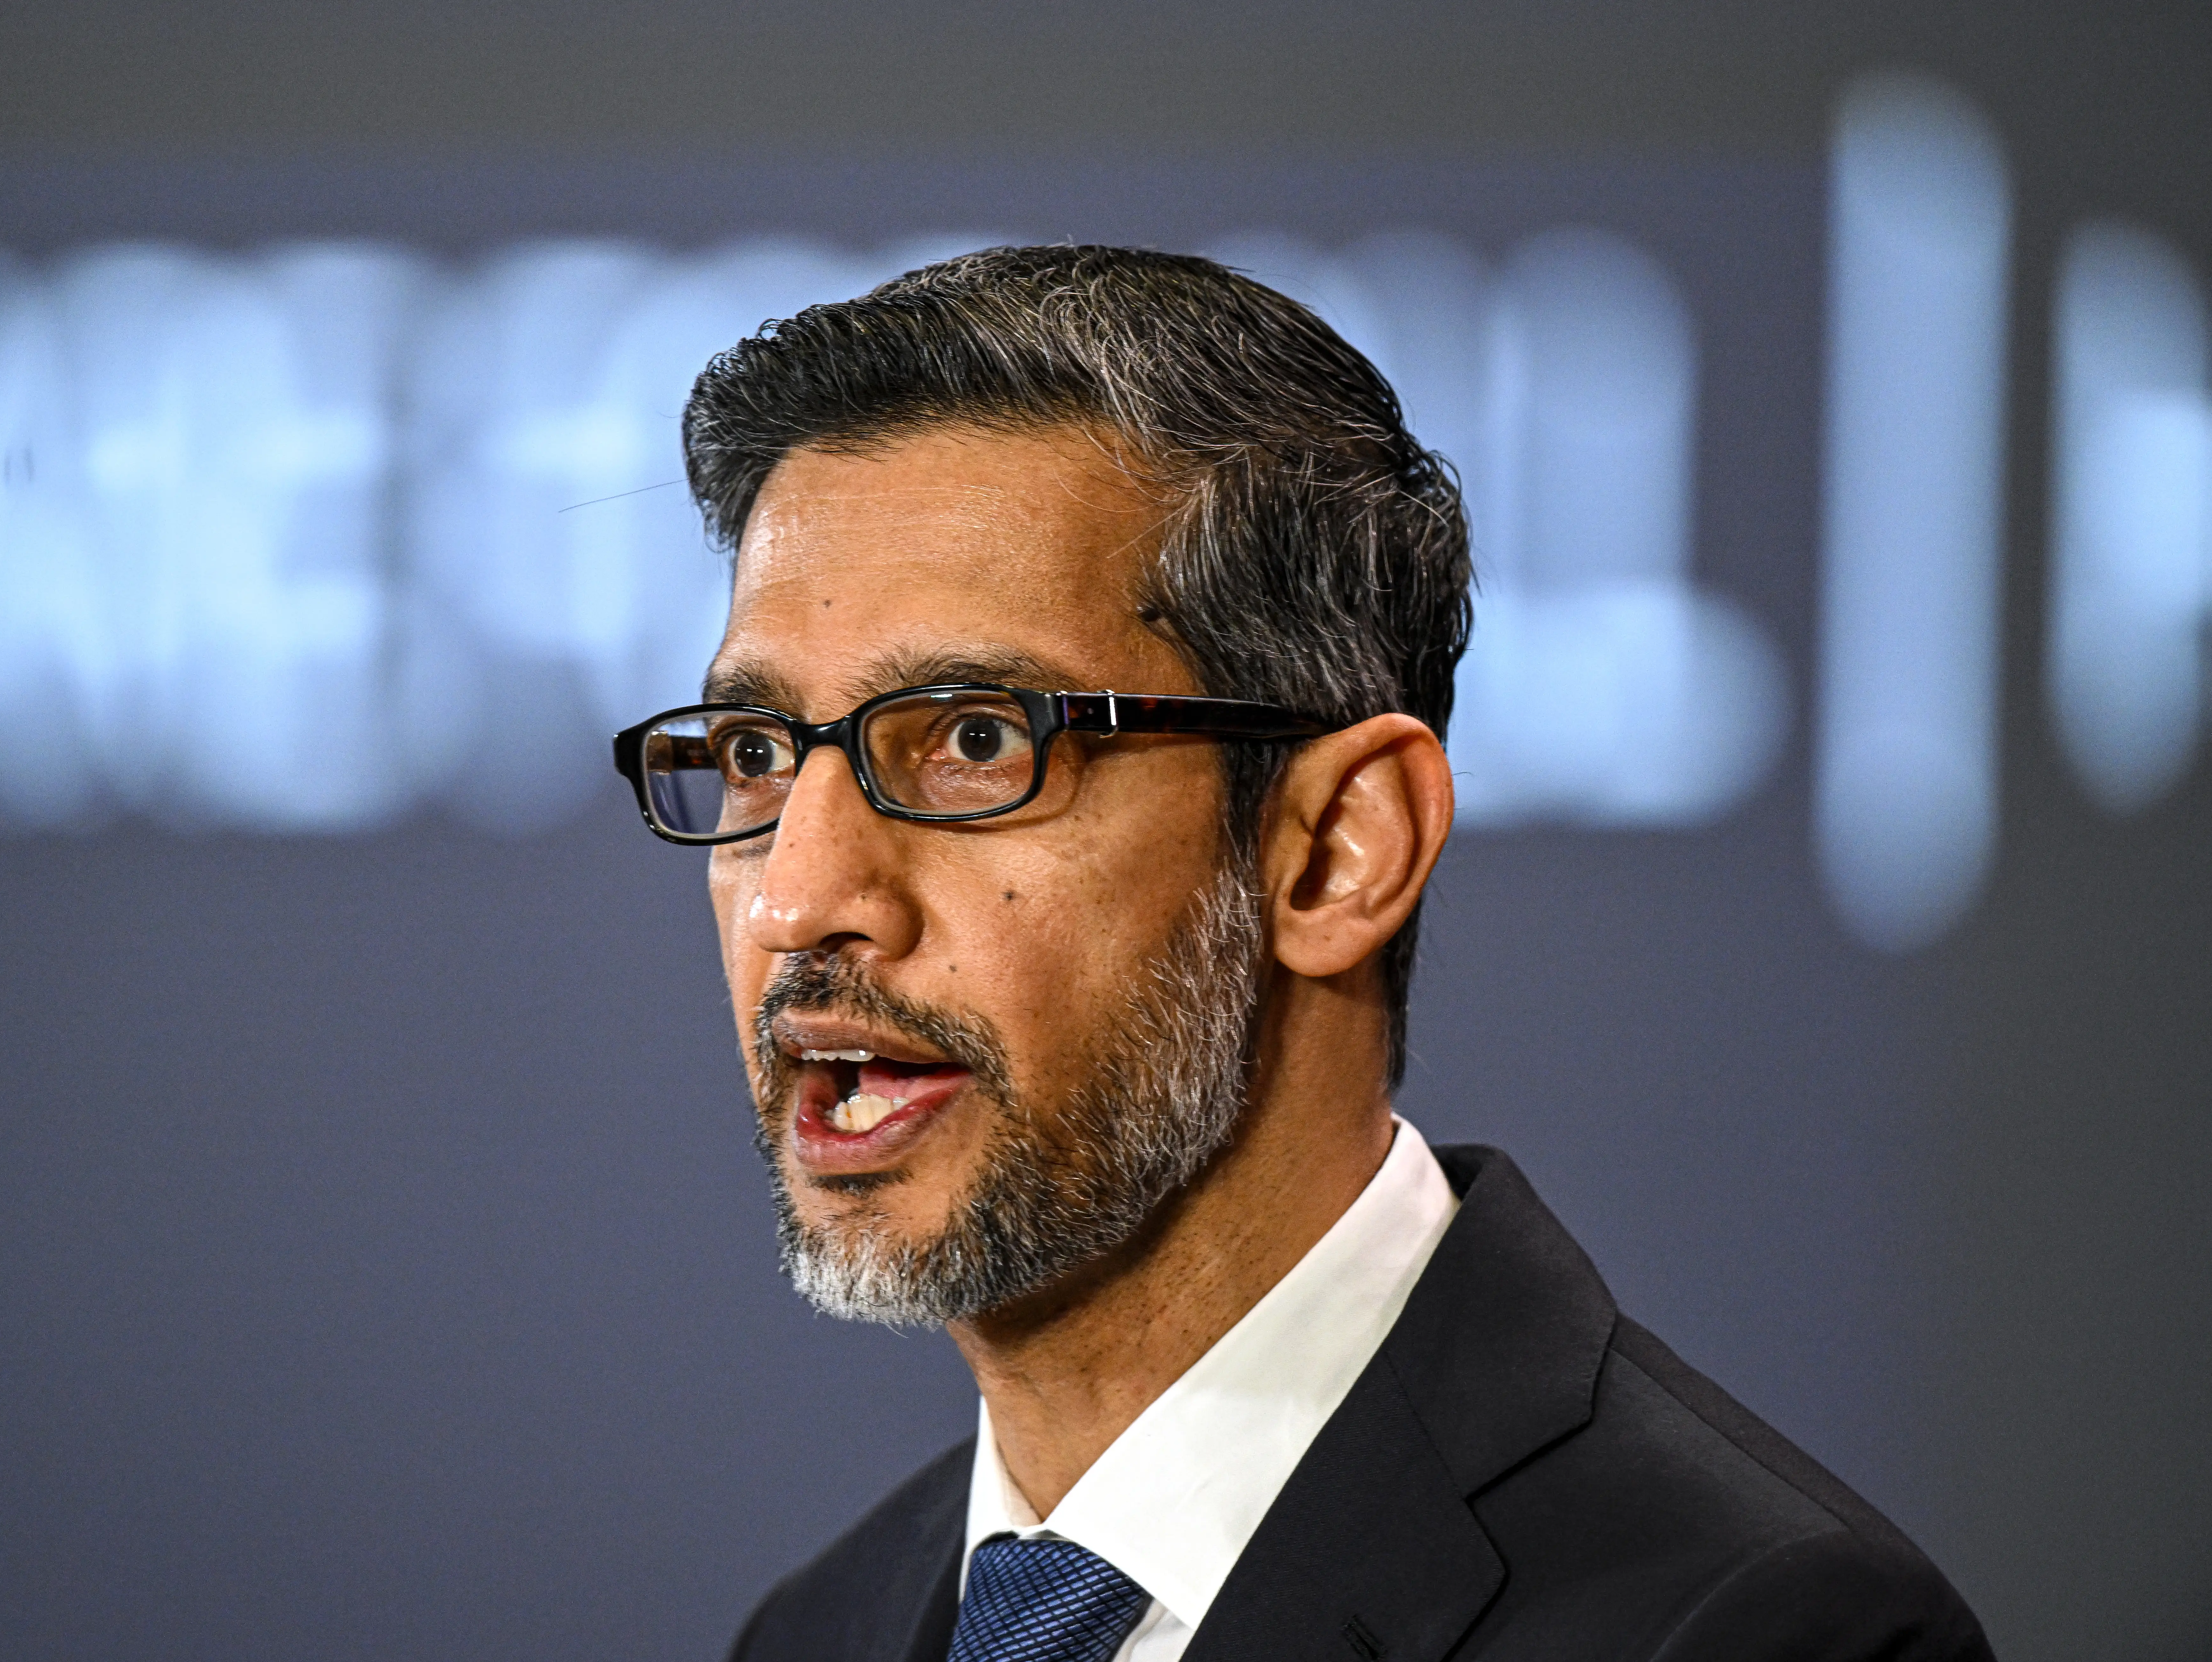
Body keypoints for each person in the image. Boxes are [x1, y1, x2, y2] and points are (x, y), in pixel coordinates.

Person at [610, 245, 1991, 1662]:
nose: (799, 896)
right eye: (759, 754)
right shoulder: (821, 1631)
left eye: (975, 741)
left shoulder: (1755, 1631)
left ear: (1339, 847)